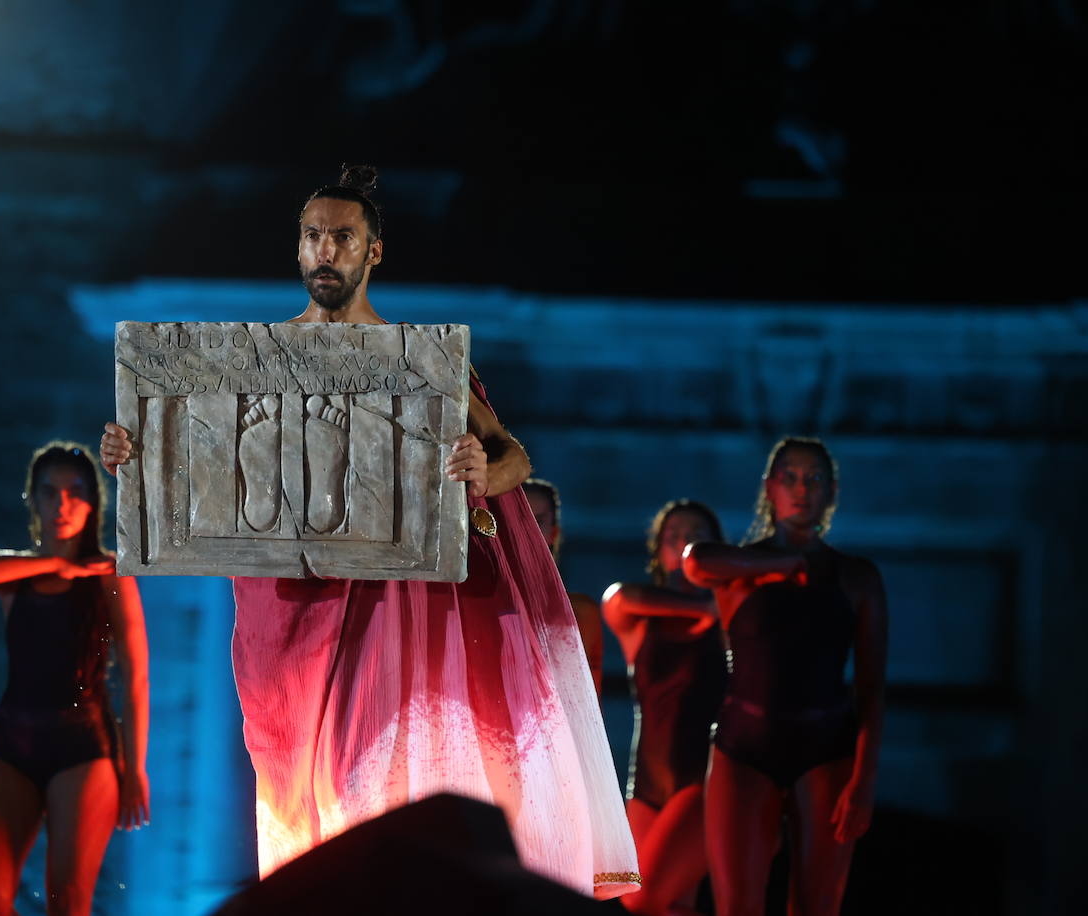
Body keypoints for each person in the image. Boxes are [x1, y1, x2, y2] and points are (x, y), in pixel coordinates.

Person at [101, 166, 637, 899]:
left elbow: (514, 457)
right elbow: (198, 473)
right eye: (313, 236)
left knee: (369, 771)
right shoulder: (250, 361)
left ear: (372, 252)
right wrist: (136, 458)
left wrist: (485, 466)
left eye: (343, 237)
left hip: (390, 599)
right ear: (298, 249)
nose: (326, 249)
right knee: (301, 785)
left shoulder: (423, 360)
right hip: (289, 602)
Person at [682, 438, 887, 916]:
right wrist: (785, 563)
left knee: (817, 906)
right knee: (737, 907)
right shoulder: (739, 568)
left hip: (826, 746)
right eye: (790, 478)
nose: (802, 489)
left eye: (814, 479)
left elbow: (872, 687)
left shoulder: (857, 576)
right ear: (770, 488)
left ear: (831, 491)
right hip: (743, 745)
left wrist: (865, 778)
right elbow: (695, 561)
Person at [0, 442, 150, 916]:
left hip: (83, 746)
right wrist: (56, 563)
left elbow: (137, 676)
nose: (62, 505)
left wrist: (135, 767)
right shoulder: (16, 575)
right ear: (34, 499)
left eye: (75, 493)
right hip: (12, 743)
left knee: (67, 904)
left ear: (93, 501)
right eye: (50, 493)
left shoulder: (110, 574)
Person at [602, 500, 728, 916]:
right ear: (658, 551)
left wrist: (715, 607)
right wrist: (701, 609)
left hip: (703, 779)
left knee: (644, 897)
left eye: (696, 535)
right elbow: (615, 599)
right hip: (647, 784)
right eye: (673, 536)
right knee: (667, 904)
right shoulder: (642, 617)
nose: (685, 542)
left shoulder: (732, 615)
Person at [522, 477, 604, 694]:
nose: (526, 532)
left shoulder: (579, 613)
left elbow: (589, 702)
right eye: (517, 519)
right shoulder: (476, 603)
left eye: (537, 522)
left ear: (553, 532)